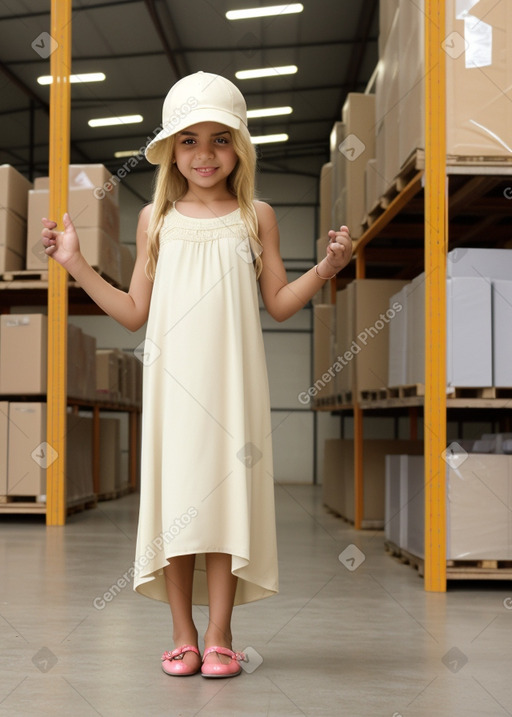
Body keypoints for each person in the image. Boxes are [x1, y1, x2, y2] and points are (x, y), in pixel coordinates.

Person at [41, 71, 352, 678]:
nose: (204, 154)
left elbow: (281, 302)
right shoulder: (155, 219)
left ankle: (220, 634)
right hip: (171, 388)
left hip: (234, 388)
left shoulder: (255, 216)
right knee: (178, 504)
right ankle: (182, 633)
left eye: (219, 139)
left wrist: (329, 266)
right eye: (189, 140)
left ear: (240, 147)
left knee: (223, 505)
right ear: (170, 150)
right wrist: (74, 261)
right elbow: (133, 313)